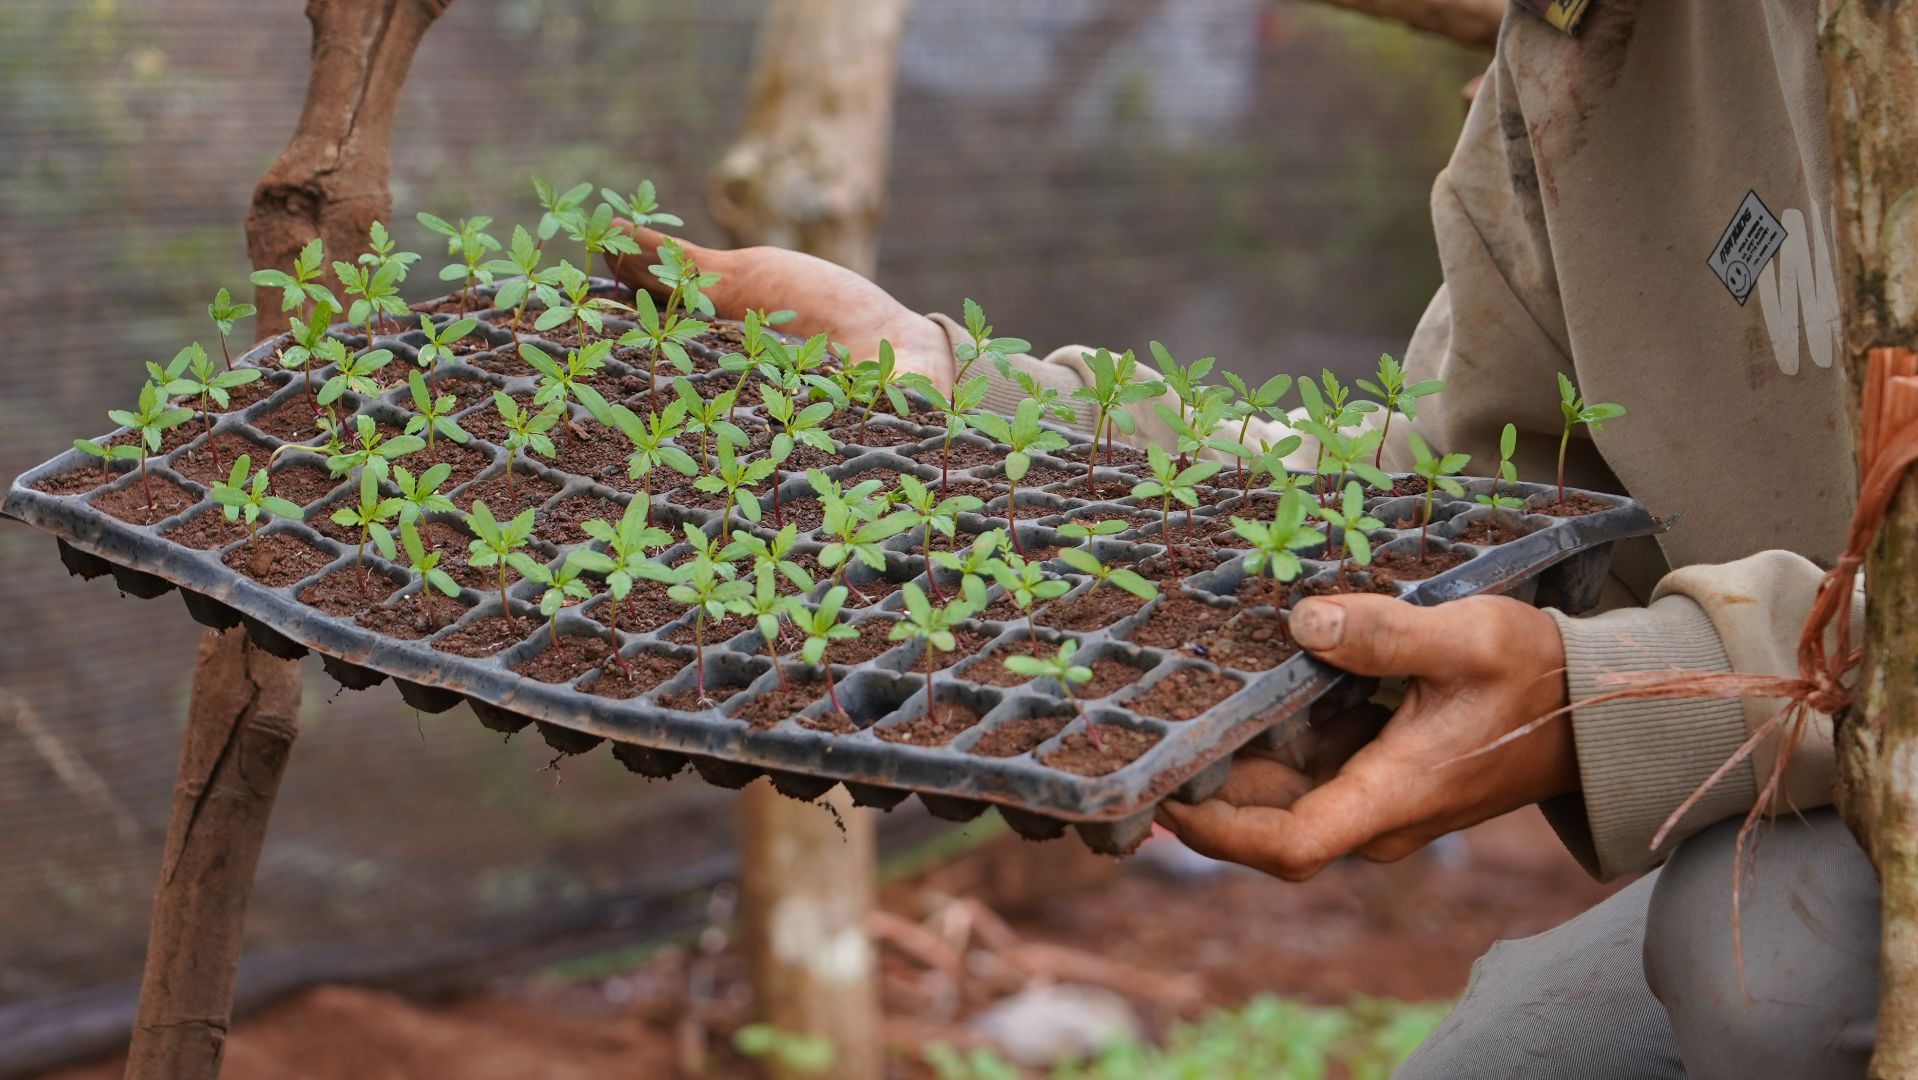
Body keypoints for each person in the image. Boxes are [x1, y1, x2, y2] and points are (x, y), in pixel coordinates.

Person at [607, 2, 1881, 1075]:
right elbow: (1453, 486)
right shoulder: (1581, 45)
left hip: (1858, 809)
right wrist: (960, 400)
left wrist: (1607, 701)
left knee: (1767, 959)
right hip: (1836, 771)